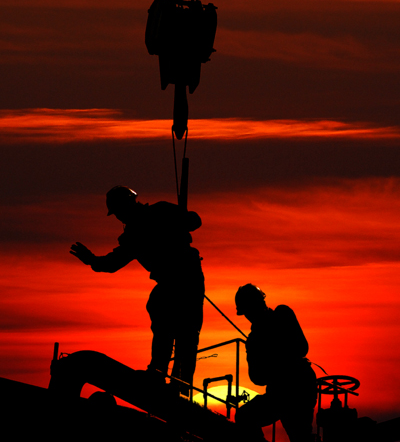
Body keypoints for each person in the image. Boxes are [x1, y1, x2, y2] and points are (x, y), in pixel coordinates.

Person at [70, 186, 205, 395]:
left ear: (129, 205)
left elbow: (195, 221)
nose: (119, 217)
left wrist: (180, 219)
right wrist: (93, 261)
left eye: (119, 211)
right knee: (160, 310)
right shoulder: (133, 235)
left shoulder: (159, 212)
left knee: (186, 331)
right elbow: (114, 262)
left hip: (187, 277)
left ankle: (181, 383)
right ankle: (158, 373)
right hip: (169, 280)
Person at [234, 284, 317, 442]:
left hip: (297, 388)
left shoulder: (282, 314)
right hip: (283, 392)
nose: (249, 315)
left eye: (249, 310)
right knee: (245, 416)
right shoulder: (253, 341)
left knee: (300, 436)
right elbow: (257, 378)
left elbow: (302, 348)